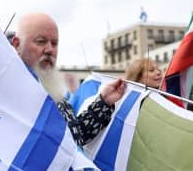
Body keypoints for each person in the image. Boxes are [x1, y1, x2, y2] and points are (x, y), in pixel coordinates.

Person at [12, 13, 125, 145]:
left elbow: (74, 138)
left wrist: (103, 102)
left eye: (54, 43)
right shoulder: (7, 92)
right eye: (41, 41)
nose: (49, 49)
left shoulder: (50, 88)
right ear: (17, 44)